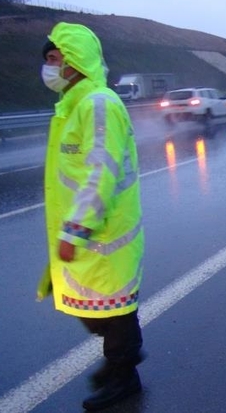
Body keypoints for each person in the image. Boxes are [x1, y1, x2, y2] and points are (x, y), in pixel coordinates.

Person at [37, 22, 145, 411]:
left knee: (115, 312)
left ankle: (124, 375)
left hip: (104, 233)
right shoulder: (73, 105)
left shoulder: (98, 104)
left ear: (75, 61)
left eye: (55, 59)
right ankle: (122, 360)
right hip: (85, 235)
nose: (49, 67)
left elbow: (101, 171)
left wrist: (76, 230)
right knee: (96, 311)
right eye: (47, 59)